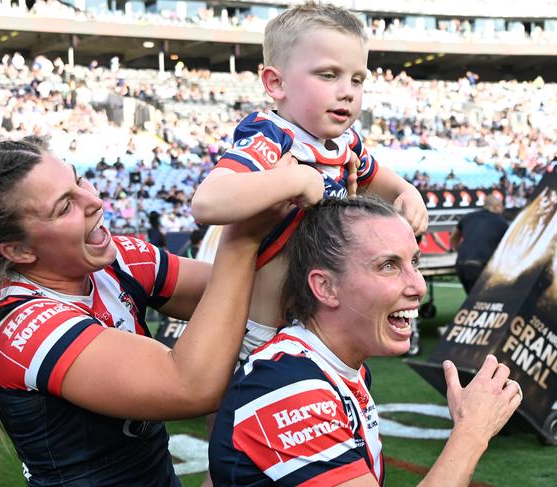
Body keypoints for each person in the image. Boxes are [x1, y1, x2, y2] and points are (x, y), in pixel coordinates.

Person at [0, 137, 280, 485]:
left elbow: (246, 293)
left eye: (79, 181)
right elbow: (191, 385)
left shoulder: (113, 261)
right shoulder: (21, 326)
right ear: (19, 252)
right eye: (65, 206)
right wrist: (241, 236)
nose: (94, 201)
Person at [209, 197, 522, 485]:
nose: (418, 286)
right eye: (388, 266)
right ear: (326, 287)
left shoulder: (340, 367)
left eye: (415, 262)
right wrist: (472, 431)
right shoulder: (289, 388)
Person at [191, 0, 427, 377]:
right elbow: (208, 202)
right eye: (328, 75)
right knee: (242, 413)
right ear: (276, 83)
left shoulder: (345, 140)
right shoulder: (270, 136)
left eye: (357, 79)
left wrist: (407, 193)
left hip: (314, 322)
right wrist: (293, 179)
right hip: (262, 329)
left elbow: (376, 176)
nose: (347, 92)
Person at [450, 194, 509, 293]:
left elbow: (453, 237)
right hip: (480, 266)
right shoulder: (501, 222)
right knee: (485, 299)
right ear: (497, 206)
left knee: (472, 298)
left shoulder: (467, 217)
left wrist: (459, 251)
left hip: (461, 264)